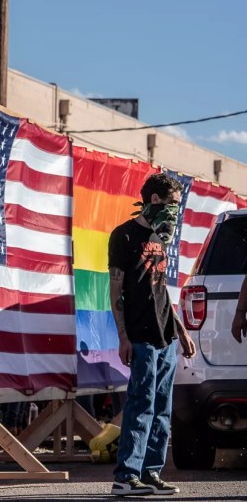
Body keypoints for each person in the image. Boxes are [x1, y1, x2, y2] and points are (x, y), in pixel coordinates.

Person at [107, 173, 196, 497]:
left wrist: (181, 330)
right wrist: (123, 336)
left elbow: (160, 290)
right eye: (172, 203)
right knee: (141, 405)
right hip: (141, 335)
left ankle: (151, 473)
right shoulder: (125, 236)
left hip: (166, 336)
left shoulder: (160, 240)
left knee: (162, 409)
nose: (175, 210)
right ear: (155, 201)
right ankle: (126, 476)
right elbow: (115, 288)